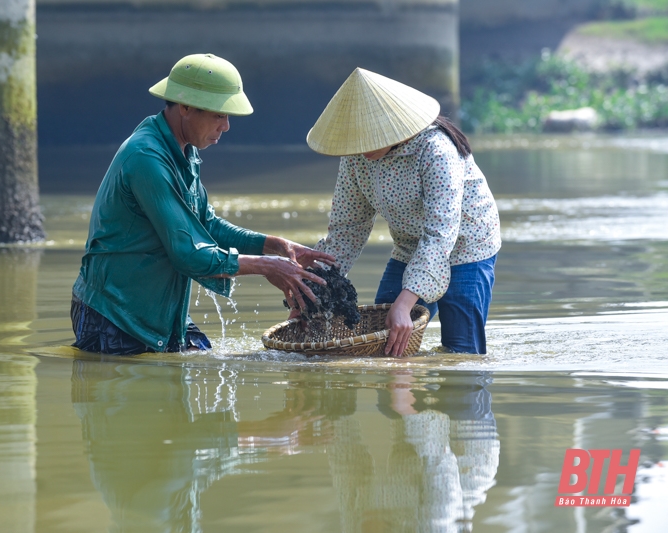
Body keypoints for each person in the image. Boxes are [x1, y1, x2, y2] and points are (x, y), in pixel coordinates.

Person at [71, 53, 334, 355]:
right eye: (218, 115)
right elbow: (187, 254)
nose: (226, 126)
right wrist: (265, 266)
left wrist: (275, 246)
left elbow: (206, 225)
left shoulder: (183, 150)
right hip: (115, 314)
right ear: (184, 107)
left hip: (161, 311)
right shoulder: (146, 158)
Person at [306, 68, 501, 356]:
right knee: (384, 343)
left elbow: (440, 234)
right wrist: (314, 296)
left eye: (368, 138)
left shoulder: (435, 149)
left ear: (390, 127)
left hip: (467, 245)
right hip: (410, 247)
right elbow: (347, 229)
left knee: (462, 354)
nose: (362, 149)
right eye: (356, 139)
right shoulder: (355, 158)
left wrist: (405, 302)